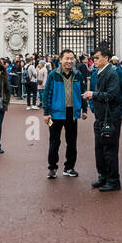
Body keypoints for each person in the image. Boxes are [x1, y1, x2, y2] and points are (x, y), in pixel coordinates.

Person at [83, 43, 122, 191]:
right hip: (101, 116)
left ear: (106, 58)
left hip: (111, 117)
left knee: (110, 150)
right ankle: (103, 176)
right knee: (99, 149)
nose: (94, 60)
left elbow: (113, 95)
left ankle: (113, 181)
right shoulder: (99, 72)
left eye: (97, 57)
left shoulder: (112, 73)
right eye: (93, 57)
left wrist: (93, 95)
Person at [40, 48, 86, 179]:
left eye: (72, 59)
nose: (69, 61)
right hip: (55, 113)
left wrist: (84, 109)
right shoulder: (53, 75)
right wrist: (46, 112)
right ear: (60, 60)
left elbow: (83, 92)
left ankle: (69, 167)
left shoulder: (78, 75)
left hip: (72, 113)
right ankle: (52, 167)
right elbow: (47, 94)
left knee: (72, 142)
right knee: (54, 142)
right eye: (67, 58)